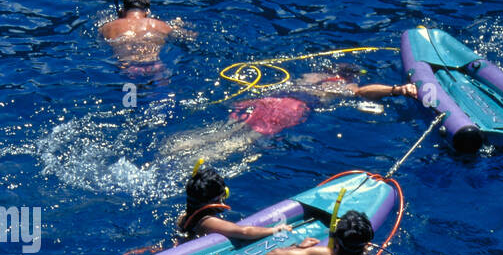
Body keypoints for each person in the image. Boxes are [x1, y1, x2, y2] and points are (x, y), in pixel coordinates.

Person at [159, 75, 417, 165]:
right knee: (242, 141)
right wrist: (397, 89)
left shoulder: (312, 76)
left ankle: (173, 147)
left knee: (222, 130)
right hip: (288, 110)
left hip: (268, 100)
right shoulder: (342, 87)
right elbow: (362, 92)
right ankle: (188, 163)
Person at [177, 166, 288, 244]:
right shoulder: (207, 222)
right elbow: (244, 232)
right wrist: (275, 229)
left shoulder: (184, 217)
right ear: (217, 199)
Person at [99, 0, 195, 76]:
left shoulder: (107, 27)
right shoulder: (159, 25)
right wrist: (178, 25)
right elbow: (191, 36)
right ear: (147, 12)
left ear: (123, 10)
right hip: (154, 66)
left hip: (126, 67)